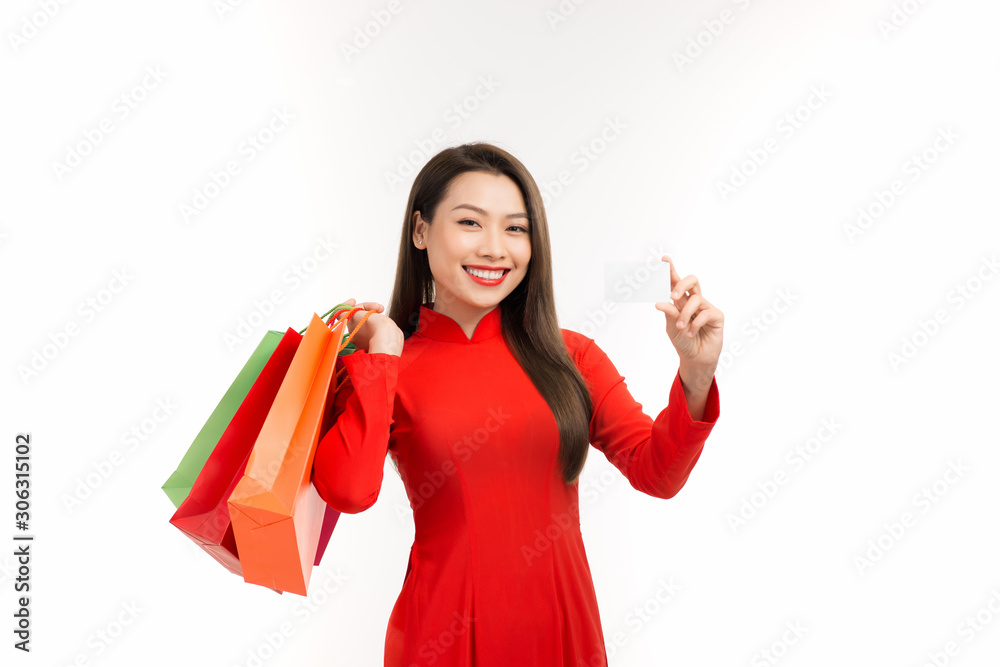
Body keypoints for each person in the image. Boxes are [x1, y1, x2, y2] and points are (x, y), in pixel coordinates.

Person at [311, 142, 723, 666]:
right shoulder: (388, 366)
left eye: (515, 228)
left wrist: (696, 373)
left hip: (562, 632)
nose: (494, 248)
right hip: (443, 637)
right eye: (470, 223)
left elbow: (657, 473)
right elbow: (348, 491)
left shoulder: (570, 355)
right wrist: (383, 355)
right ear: (420, 231)